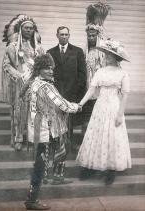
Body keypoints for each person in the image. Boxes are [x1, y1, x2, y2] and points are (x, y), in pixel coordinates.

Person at [24, 53, 80, 210]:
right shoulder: (46, 86)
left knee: (40, 163)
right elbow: (62, 105)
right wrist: (77, 106)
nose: (50, 71)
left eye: (51, 68)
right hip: (44, 130)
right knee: (40, 166)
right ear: (39, 69)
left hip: (36, 128)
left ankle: (32, 198)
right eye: (46, 68)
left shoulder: (34, 83)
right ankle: (32, 201)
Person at [76, 38, 131, 185]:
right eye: (106, 54)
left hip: (114, 107)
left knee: (112, 136)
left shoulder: (122, 74)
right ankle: (91, 168)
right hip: (100, 106)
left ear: (116, 57)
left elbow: (125, 95)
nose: (106, 56)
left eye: (109, 54)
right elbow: (92, 89)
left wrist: (120, 114)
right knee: (96, 134)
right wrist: (80, 103)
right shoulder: (100, 71)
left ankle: (110, 170)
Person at [2, 14, 44, 151]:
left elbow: (44, 64)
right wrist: (19, 75)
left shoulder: (38, 48)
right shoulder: (12, 47)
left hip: (35, 84)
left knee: (34, 111)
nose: (29, 30)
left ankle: (32, 139)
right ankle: (18, 138)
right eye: (26, 28)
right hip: (20, 84)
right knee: (19, 112)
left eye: (31, 28)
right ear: (21, 29)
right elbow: (6, 66)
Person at [79, 1, 111, 179]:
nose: (91, 38)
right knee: (86, 121)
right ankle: (86, 147)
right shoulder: (84, 51)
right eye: (89, 35)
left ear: (98, 36)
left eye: (93, 35)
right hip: (88, 92)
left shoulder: (103, 53)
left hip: (101, 94)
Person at [47, 26, 87, 151]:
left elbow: (82, 74)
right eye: (61, 34)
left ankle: (68, 143)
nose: (64, 37)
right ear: (57, 35)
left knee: (69, 118)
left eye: (66, 34)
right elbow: (48, 72)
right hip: (56, 91)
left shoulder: (77, 51)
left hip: (72, 91)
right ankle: (57, 142)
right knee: (56, 117)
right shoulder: (50, 52)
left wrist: (76, 90)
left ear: (69, 36)